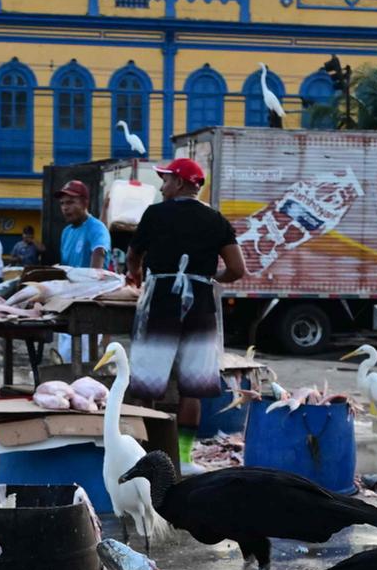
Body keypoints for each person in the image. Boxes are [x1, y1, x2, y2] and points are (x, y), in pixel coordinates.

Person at [123, 156, 246, 404]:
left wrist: (136, 275)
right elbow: (237, 268)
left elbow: (133, 256)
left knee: (148, 381)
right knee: (193, 386)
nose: (161, 188)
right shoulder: (216, 219)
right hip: (201, 304)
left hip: (161, 301)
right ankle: (186, 433)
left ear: (179, 182)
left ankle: (149, 430)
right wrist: (209, 279)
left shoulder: (155, 214)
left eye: (165, 181)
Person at [56, 181, 110, 269]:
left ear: (85, 203)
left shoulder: (97, 228)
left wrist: (92, 275)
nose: (65, 208)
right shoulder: (66, 232)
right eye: (62, 203)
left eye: (70, 202)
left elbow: (99, 255)